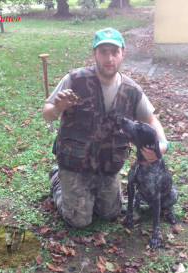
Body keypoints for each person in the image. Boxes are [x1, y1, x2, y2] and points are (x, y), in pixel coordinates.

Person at [42, 27, 170, 228]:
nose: (109, 58)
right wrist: (58, 107)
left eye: (114, 52)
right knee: (78, 221)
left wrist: (162, 145)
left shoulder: (132, 90)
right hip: (75, 163)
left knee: (111, 213)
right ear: (94, 53)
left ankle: (88, 192)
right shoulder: (76, 79)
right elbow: (46, 112)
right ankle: (58, 178)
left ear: (123, 54)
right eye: (103, 52)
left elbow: (152, 120)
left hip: (107, 166)